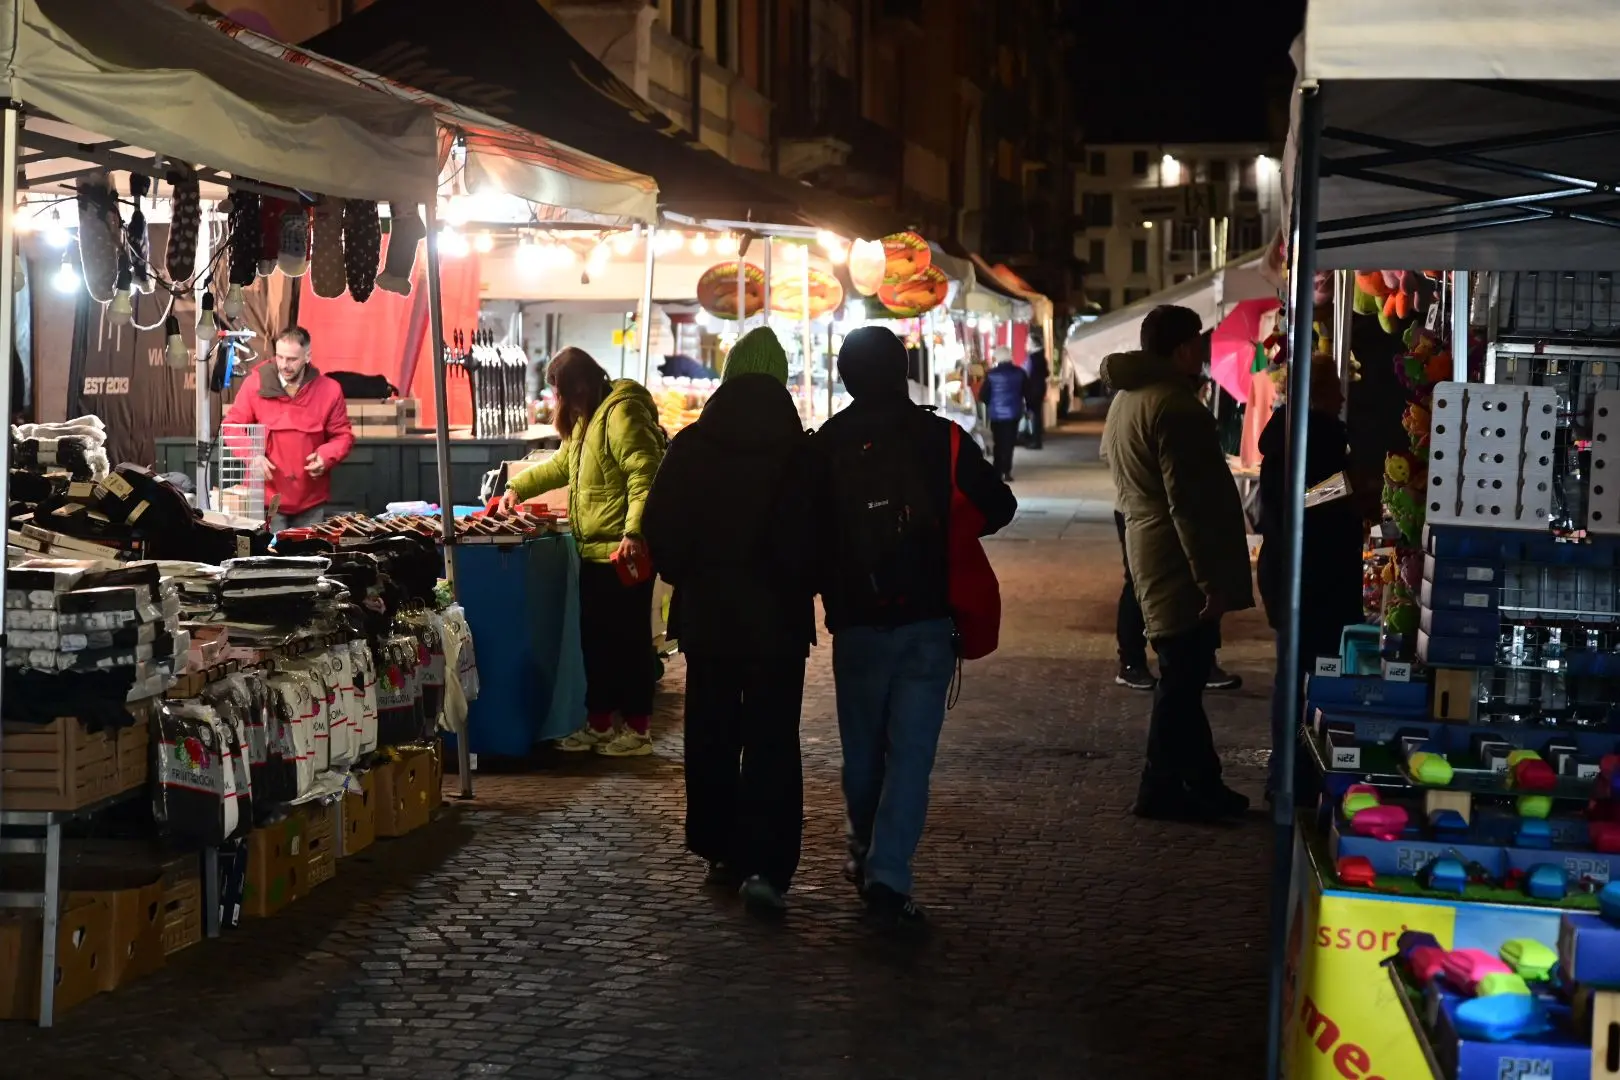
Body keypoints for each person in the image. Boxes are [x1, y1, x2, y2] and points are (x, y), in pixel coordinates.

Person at [814, 326, 1016, 929]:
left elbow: (809, 528)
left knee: (861, 752)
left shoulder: (828, 442)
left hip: (854, 621)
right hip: (927, 618)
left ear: (846, 377)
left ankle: (861, 849)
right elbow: (999, 506)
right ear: (904, 371)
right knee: (910, 757)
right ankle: (888, 875)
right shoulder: (942, 437)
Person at [643, 327, 815, 914]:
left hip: (710, 620)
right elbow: (819, 541)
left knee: (712, 732)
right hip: (779, 624)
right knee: (772, 739)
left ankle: (719, 850)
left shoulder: (693, 445)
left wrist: (692, 573)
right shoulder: (798, 453)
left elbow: (659, 528)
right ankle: (767, 866)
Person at [1100, 305, 1253, 822]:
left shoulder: (1127, 400)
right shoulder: (1175, 407)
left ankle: (1196, 781)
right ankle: (1162, 786)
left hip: (1149, 544)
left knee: (1181, 675)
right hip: (1175, 557)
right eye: (1199, 342)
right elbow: (1190, 504)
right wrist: (1212, 578)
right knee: (1181, 678)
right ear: (1184, 347)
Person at [499, 347, 666, 758]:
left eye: (561, 391)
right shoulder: (585, 419)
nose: (560, 400)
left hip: (622, 551)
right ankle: (599, 724)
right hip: (592, 552)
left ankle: (638, 730)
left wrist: (634, 531)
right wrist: (516, 488)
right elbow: (561, 467)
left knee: (629, 643)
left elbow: (645, 474)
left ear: (579, 385)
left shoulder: (621, 413)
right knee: (598, 644)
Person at [1257, 355, 1367, 807]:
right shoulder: (1309, 436)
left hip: (1293, 572)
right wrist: (1353, 485)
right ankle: (1296, 778)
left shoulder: (1288, 435)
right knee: (1307, 678)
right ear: (1317, 392)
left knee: (1294, 674)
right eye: (1335, 388)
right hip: (1313, 577)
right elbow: (1306, 499)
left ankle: (1288, 773)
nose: (1343, 397)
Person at [223, 326, 353, 532]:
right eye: (280, 357)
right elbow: (232, 427)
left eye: (292, 359)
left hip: (311, 500)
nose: (284, 365)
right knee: (269, 560)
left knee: (311, 559)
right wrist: (252, 456)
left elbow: (342, 436)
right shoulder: (254, 384)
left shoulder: (329, 390)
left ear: (308, 356)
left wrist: (326, 456)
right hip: (266, 499)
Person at [984, 345, 1028, 482]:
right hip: (1013, 413)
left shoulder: (991, 374)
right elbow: (1026, 391)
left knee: (998, 442)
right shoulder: (1020, 373)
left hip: (996, 415)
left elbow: (984, 395)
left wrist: (991, 404)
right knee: (1009, 443)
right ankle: (1006, 471)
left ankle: (997, 471)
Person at [1024, 339, 1050, 450]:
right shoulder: (1041, 357)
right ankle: (1036, 439)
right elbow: (1046, 373)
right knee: (1037, 415)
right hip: (1040, 389)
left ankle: (1035, 441)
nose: (1026, 345)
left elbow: (1027, 373)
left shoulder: (1032, 357)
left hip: (1033, 390)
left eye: (1028, 342)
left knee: (1034, 415)